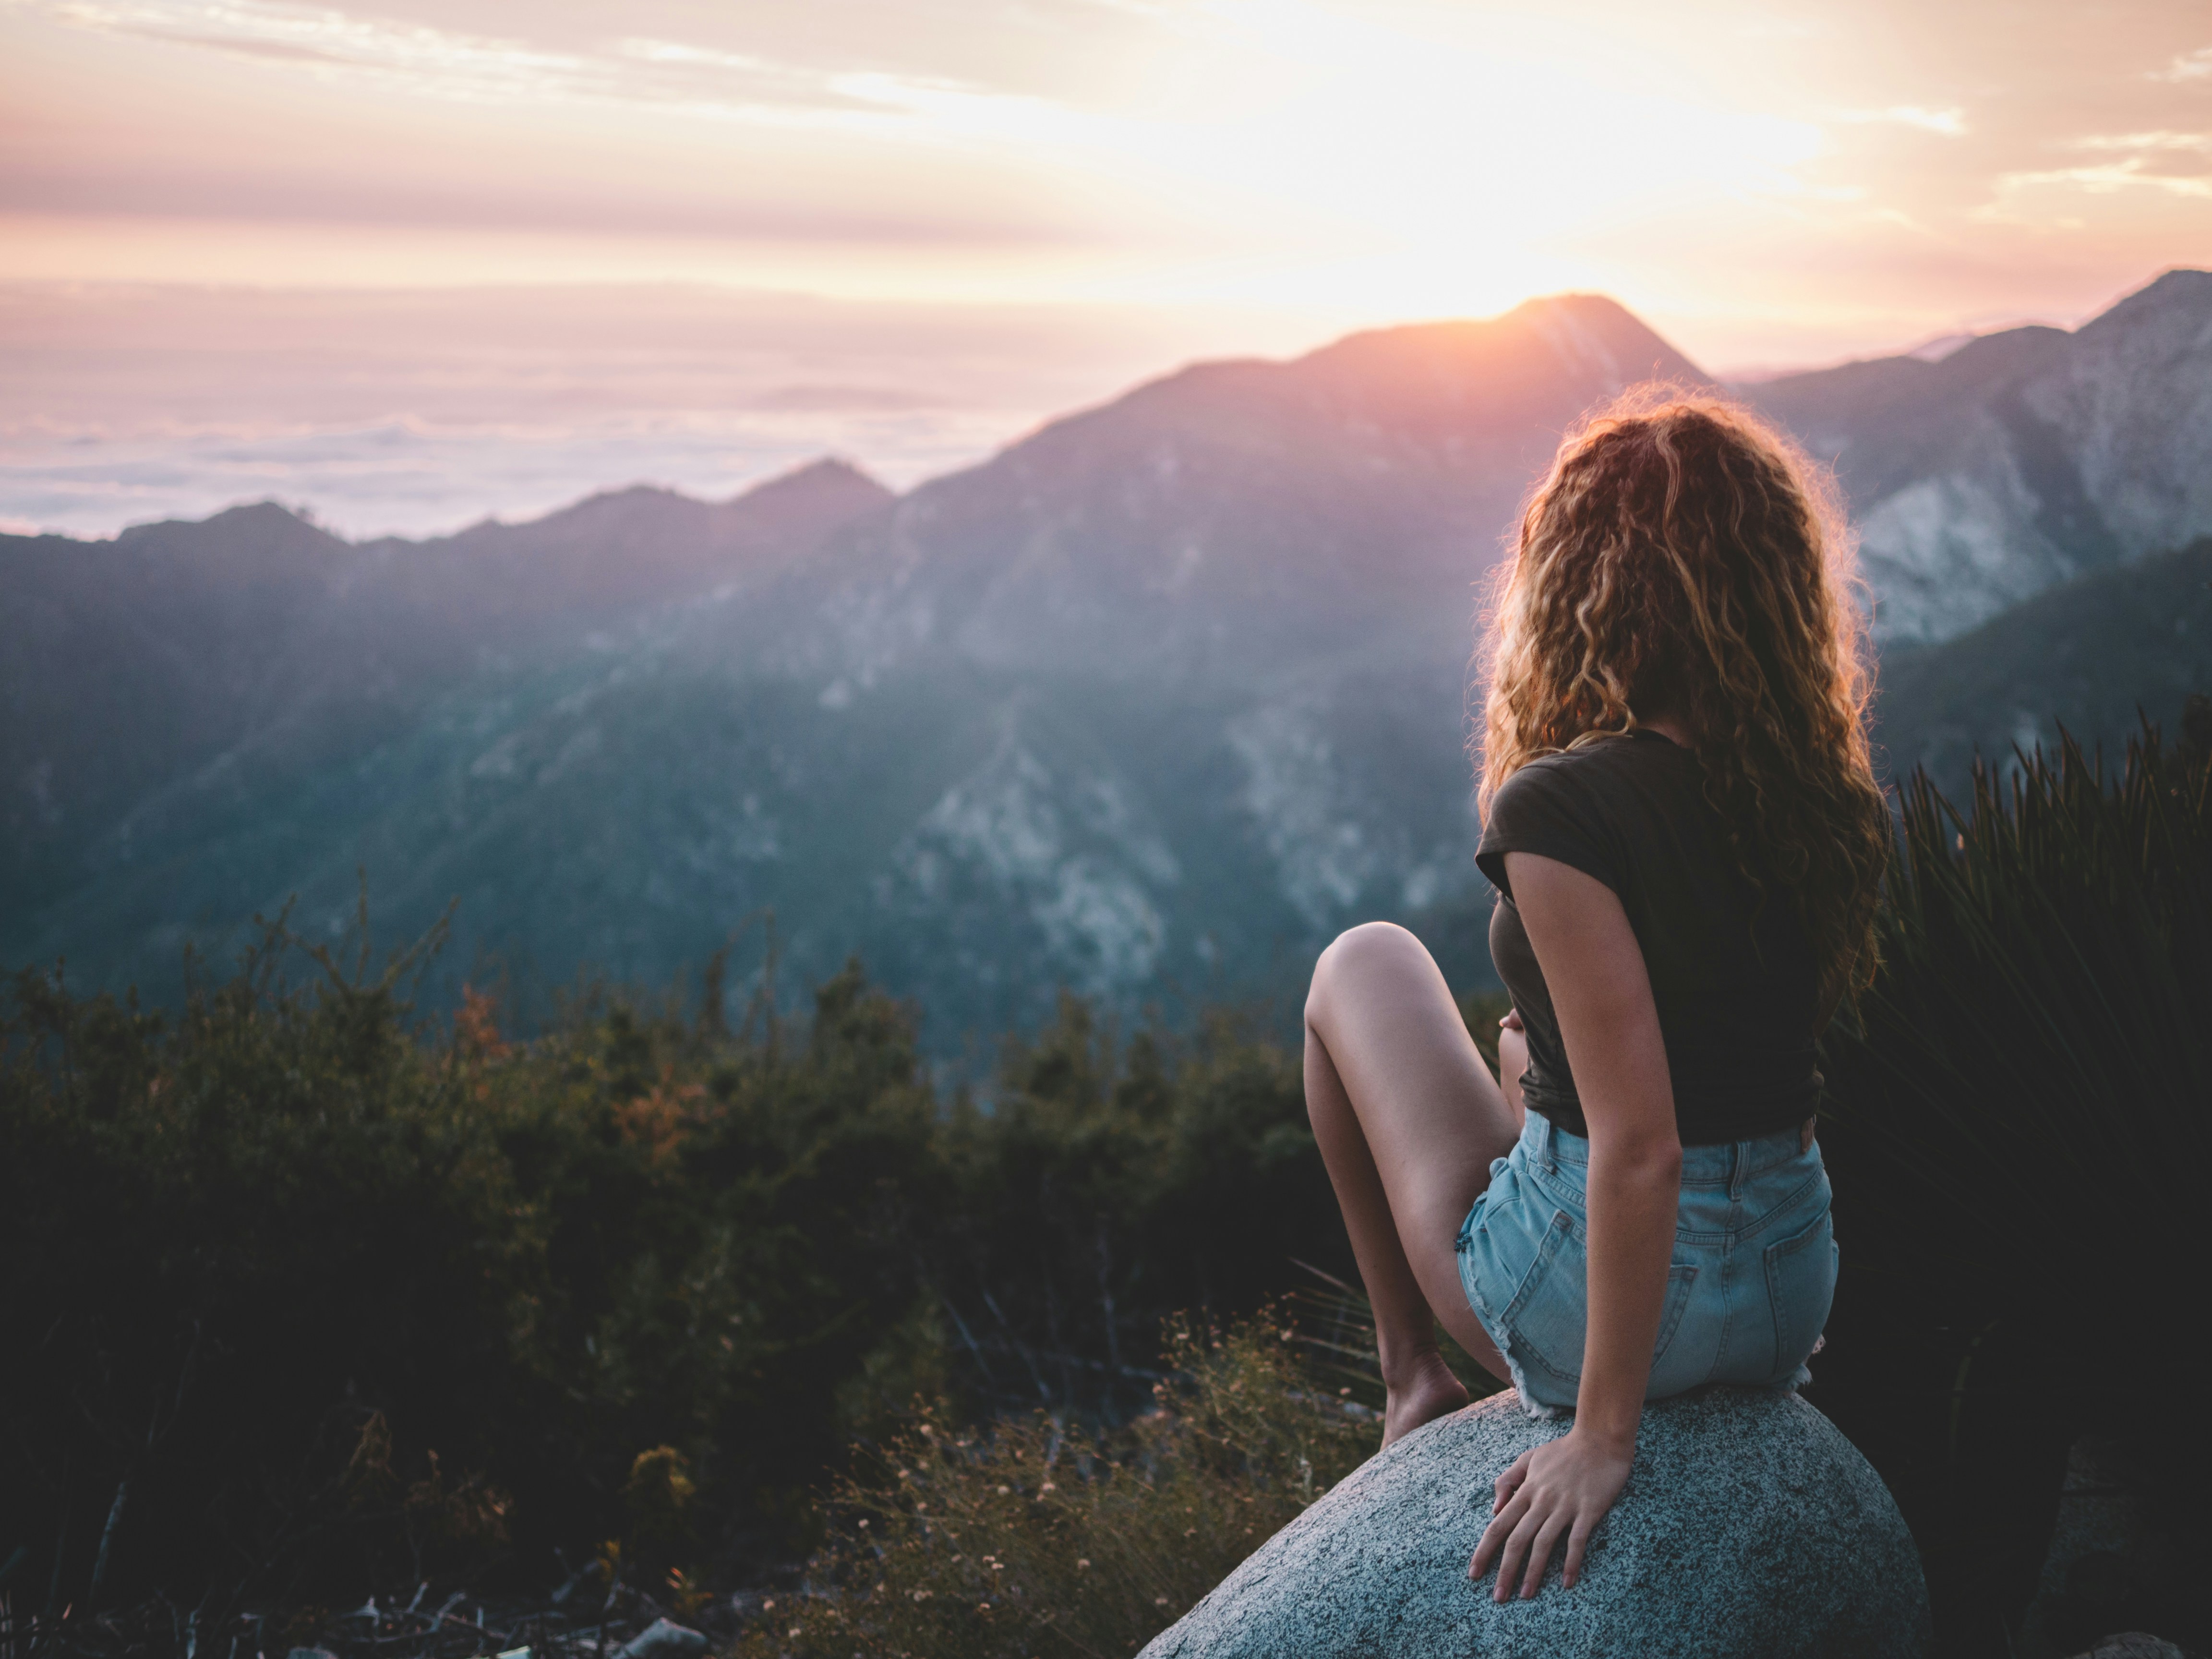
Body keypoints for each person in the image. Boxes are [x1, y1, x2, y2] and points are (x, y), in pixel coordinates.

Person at [1302, 388, 1892, 1604]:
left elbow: (1643, 1149)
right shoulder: (1814, 796)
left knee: (1360, 964)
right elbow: (1758, 1069)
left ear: (1585, 587)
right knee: (1527, 1056)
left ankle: (1413, 1374)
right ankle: (1474, 1346)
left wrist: (1601, 1438)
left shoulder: (1559, 809)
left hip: (1606, 1308)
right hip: (1789, 1292)